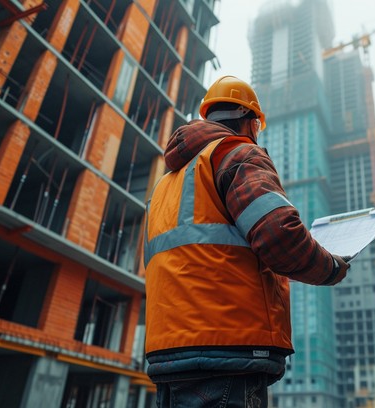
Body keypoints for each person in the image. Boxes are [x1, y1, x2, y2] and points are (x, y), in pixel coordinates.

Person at [143, 75, 351, 407]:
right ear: (251, 121)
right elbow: (279, 236)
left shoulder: (165, 186)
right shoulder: (236, 153)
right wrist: (331, 267)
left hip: (168, 353)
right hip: (226, 349)